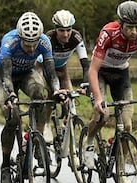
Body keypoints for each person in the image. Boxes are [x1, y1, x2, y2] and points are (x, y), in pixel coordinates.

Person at [83, 1, 137, 183]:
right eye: (130, 27)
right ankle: (88, 142)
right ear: (121, 23)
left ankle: (121, 172)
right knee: (103, 115)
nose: (134, 31)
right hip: (100, 73)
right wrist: (99, 99)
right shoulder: (108, 33)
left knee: (127, 125)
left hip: (121, 75)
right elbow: (93, 70)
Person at [0, 11, 62, 183]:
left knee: (40, 96)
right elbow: (7, 77)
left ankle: (36, 142)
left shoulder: (44, 42)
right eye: (27, 44)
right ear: (21, 37)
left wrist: (56, 90)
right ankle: (6, 165)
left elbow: (51, 72)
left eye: (34, 44)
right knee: (13, 118)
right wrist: (11, 94)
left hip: (27, 73)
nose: (32, 49)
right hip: (5, 76)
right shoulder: (10, 42)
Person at [36, 9, 90, 143]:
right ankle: (47, 123)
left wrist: (86, 83)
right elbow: (44, 65)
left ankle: (70, 120)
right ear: (55, 29)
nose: (66, 34)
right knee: (51, 92)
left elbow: (85, 64)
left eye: (68, 30)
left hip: (62, 67)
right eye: (61, 30)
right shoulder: (48, 38)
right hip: (43, 67)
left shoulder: (76, 37)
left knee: (71, 94)